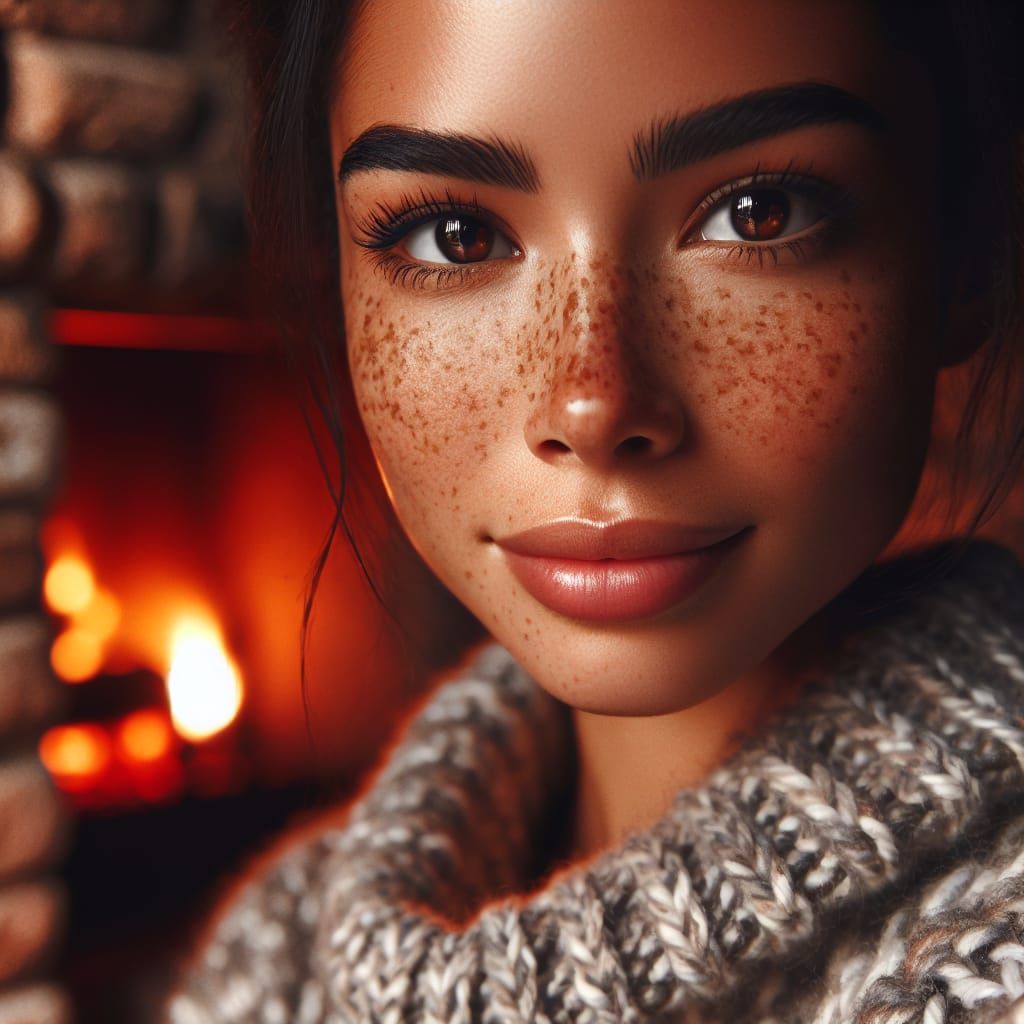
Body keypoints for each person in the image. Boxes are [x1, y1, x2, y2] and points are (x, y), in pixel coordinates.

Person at [165, 1, 1024, 1021]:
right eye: (457, 235)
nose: (592, 400)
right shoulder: (274, 958)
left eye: (758, 214)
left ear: (962, 251)